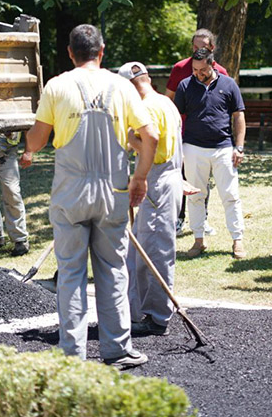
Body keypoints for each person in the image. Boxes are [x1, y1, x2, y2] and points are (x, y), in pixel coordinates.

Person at [20, 24, 158, 368]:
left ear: (70, 53)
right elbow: (151, 136)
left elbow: (35, 141)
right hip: (113, 192)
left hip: (70, 192)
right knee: (113, 270)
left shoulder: (57, 85)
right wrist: (139, 178)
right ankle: (117, 349)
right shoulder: (121, 86)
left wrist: (28, 146)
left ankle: (72, 354)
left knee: (70, 273)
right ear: (102, 51)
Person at [118, 61, 183, 336]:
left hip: (156, 181)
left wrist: (130, 139)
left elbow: (152, 142)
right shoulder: (166, 102)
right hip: (167, 177)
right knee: (146, 249)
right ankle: (143, 310)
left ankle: (157, 317)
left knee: (154, 251)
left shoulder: (145, 107)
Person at [174, 47, 247, 259]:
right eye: (195, 69)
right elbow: (176, 117)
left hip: (224, 147)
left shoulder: (228, 84)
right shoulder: (185, 85)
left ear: (212, 65)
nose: (198, 73)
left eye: (202, 69)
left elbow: (239, 116)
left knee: (230, 195)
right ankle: (198, 240)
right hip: (193, 147)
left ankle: (237, 240)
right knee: (195, 195)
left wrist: (239, 147)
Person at [166, 28, 228, 236]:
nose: (197, 50)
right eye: (194, 47)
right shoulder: (180, 68)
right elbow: (168, 100)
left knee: (202, 179)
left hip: (207, 138)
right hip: (182, 133)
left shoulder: (221, 72)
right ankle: (178, 218)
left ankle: (203, 219)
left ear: (212, 49)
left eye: (202, 47)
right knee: (180, 176)